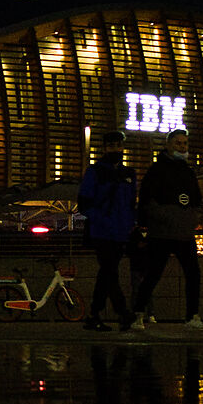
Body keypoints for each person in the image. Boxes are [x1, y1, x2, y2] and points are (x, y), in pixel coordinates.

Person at [129, 131, 203, 331]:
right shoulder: (157, 170)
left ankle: (192, 316)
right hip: (163, 232)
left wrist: (194, 217)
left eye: (185, 143)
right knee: (154, 273)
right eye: (178, 143)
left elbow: (197, 199)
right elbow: (147, 199)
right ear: (169, 145)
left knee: (193, 273)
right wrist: (163, 218)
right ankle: (138, 314)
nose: (182, 147)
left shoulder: (187, 172)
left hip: (182, 231)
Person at [76, 137, 136, 331]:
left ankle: (95, 314)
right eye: (112, 145)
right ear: (104, 148)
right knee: (110, 272)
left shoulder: (128, 173)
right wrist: (104, 219)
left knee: (107, 273)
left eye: (118, 145)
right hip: (103, 231)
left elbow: (131, 203)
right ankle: (123, 311)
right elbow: (84, 204)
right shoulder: (95, 172)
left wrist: (128, 224)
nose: (116, 148)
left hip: (118, 231)